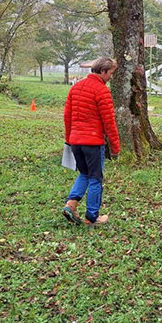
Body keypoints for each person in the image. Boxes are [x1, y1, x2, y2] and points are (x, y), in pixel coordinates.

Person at [62, 57, 121, 226]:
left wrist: (69, 138)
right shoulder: (102, 91)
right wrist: (115, 147)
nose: (111, 77)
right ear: (102, 71)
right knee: (95, 178)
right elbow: (109, 121)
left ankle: (70, 205)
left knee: (84, 173)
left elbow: (67, 116)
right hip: (93, 142)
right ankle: (92, 217)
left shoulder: (76, 88)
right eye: (110, 73)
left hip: (75, 141)